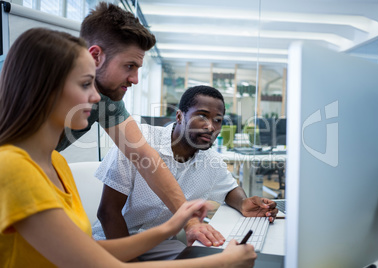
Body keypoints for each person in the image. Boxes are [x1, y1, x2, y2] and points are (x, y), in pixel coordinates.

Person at [0, 28, 257, 267]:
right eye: (84, 84)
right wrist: (224, 261)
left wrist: (177, 224)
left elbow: (91, 252)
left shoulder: (57, 163)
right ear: (46, 89)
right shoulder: (14, 167)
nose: (96, 97)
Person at [56, 2, 199, 240]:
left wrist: (191, 222)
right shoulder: (28, 84)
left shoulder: (106, 99)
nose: (135, 79)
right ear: (95, 56)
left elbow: (144, 156)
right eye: (129, 66)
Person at [93, 85, 278, 260]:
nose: (211, 127)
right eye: (202, 116)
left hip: (161, 245)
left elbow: (230, 190)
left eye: (218, 120)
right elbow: (108, 212)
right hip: (113, 241)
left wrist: (243, 203)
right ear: (180, 116)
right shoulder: (139, 141)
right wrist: (131, 262)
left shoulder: (211, 160)